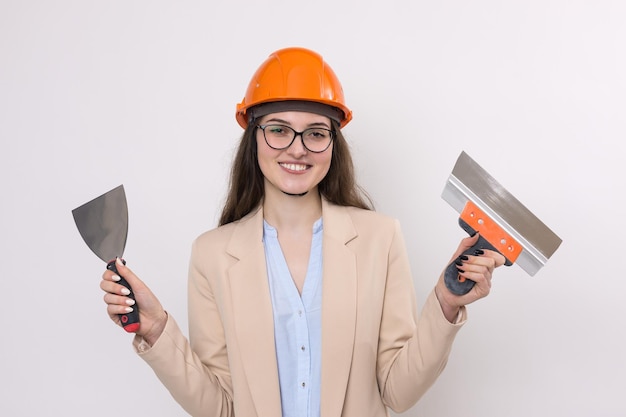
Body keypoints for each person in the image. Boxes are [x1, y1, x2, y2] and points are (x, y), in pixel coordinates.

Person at [100, 47, 505, 417]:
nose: (297, 148)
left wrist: (447, 304)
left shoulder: (379, 239)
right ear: (254, 137)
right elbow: (220, 406)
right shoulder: (212, 254)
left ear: (333, 143)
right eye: (278, 129)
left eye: (315, 133)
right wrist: (155, 331)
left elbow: (397, 392)